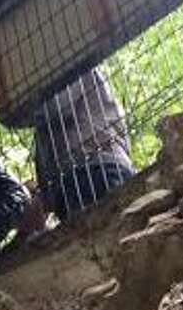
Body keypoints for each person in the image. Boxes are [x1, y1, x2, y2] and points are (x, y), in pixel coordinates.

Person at [33, 67, 135, 220]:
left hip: (94, 167)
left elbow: (57, 108)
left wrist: (26, 108)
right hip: (85, 171)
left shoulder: (74, 66)